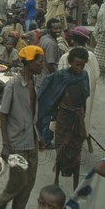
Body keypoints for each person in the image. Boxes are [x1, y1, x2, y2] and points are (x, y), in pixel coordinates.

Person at [0, 46, 44, 209]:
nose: (42, 65)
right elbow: (4, 115)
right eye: (39, 61)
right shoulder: (13, 85)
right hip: (16, 144)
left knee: (28, 184)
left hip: (31, 141)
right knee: (17, 183)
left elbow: (31, 114)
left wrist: (39, 136)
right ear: (28, 62)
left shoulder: (33, 83)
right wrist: (6, 145)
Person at [38, 47, 90, 189]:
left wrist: (83, 116)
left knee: (76, 151)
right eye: (76, 64)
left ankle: (75, 185)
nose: (79, 68)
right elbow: (49, 94)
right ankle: (56, 180)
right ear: (69, 62)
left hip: (78, 118)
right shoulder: (60, 76)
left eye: (82, 65)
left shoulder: (84, 76)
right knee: (61, 148)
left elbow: (84, 98)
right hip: (63, 117)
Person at [36, 18, 62, 148]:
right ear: (49, 28)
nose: (58, 30)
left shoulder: (44, 38)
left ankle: (39, 136)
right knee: (48, 112)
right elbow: (51, 65)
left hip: (41, 78)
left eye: (59, 28)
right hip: (47, 80)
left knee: (41, 110)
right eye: (55, 28)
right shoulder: (51, 44)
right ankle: (45, 140)